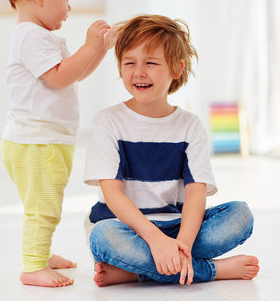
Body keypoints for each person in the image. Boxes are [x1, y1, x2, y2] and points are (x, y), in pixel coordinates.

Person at [83, 14, 260, 287]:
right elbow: (112, 195)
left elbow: (195, 193)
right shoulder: (108, 121)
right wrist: (154, 240)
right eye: (129, 63)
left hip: (178, 229)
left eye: (151, 63)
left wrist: (183, 244)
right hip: (127, 229)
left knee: (241, 215)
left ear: (177, 69)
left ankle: (137, 272)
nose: (138, 72)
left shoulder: (190, 125)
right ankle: (212, 270)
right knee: (103, 236)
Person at [0, 0, 116, 288]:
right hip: (38, 142)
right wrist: (90, 46)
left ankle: (41, 252)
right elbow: (62, 75)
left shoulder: (37, 37)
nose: (69, 5)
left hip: (38, 141)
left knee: (43, 203)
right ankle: (33, 266)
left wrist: (99, 50)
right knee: (45, 208)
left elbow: (74, 74)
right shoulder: (31, 37)